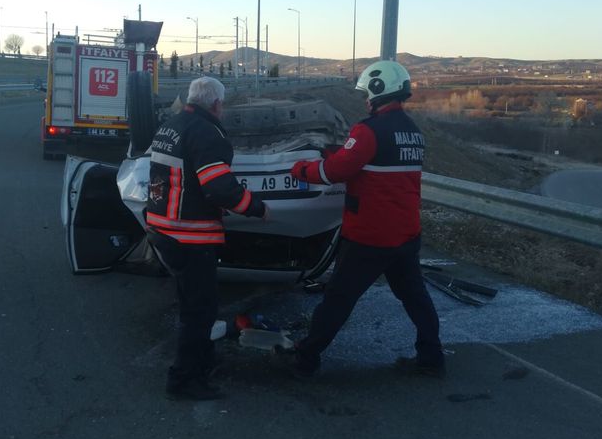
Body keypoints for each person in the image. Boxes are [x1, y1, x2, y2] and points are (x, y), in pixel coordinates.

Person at [285, 60, 445, 378]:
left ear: (378, 90)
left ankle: (306, 357)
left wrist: (300, 169)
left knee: (338, 300)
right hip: (406, 234)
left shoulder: (368, 130)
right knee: (415, 298)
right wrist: (341, 152)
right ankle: (431, 357)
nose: (365, 100)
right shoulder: (413, 132)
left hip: (370, 236)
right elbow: (370, 162)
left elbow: (335, 171)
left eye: (366, 94)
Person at [146, 76, 269, 401]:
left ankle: (202, 363)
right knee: (199, 313)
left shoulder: (171, 125)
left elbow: (182, 178)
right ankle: (184, 380)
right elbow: (218, 187)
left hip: (163, 229)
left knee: (192, 306)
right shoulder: (207, 133)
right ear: (216, 104)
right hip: (190, 235)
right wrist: (256, 208)